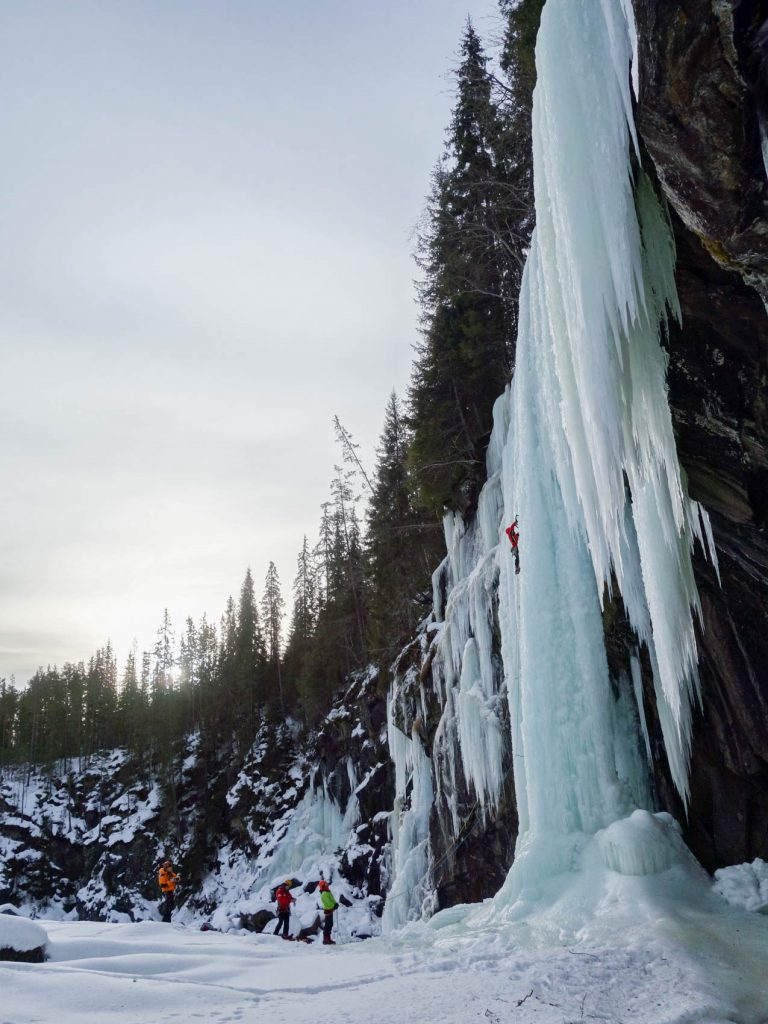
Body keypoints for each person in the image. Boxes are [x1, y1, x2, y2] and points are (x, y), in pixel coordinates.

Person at [157, 859, 178, 923]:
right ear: (166, 868)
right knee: (168, 906)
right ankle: (166, 921)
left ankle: (167, 921)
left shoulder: (170, 873)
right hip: (167, 892)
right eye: (170, 867)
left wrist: (177, 878)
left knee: (170, 906)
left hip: (171, 891)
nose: (171, 868)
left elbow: (175, 877)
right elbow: (163, 885)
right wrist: (170, 881)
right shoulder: (163, 874)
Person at [318, 880, 338, 945]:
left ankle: (328, 938)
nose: (327, 885)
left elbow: (332, 900)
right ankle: (325, 939)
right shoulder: (324, 893)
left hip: (330, 910)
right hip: (328, 910)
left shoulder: (327, 892)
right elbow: (328, 903)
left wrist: (335, 904)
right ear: (323, 885)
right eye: (325, 884)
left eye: (326, 884)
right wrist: (334, 906)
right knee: (328, 925)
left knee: (330, 924)